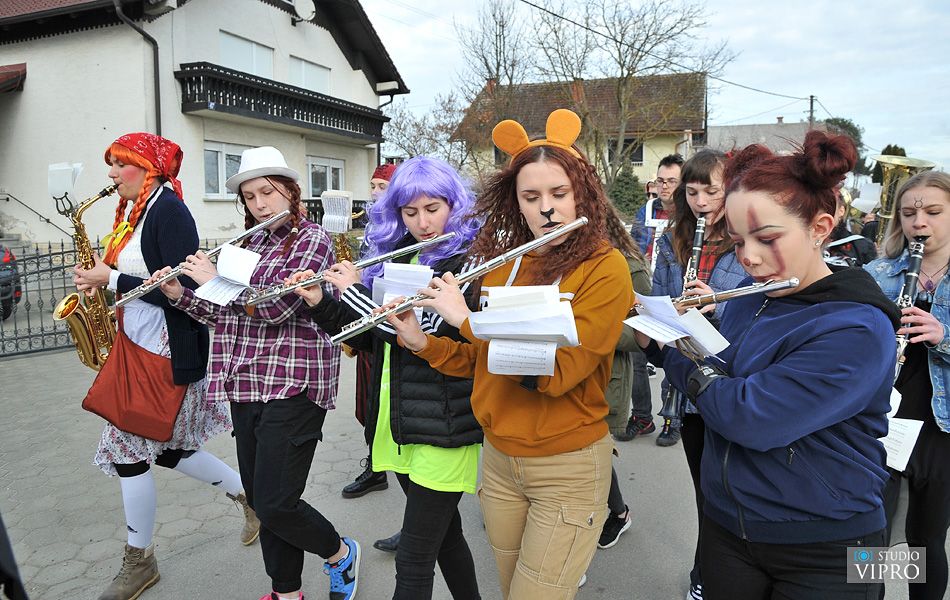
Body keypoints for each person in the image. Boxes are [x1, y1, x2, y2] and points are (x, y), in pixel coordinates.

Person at [385, 109, 634, 599]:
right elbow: (485, 363)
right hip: (500, 462)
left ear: (582, 193)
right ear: (515, 202)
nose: (547, 209)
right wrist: (425, 343)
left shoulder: (606, 269)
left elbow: (557, 372)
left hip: (567, 464)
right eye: (532, 197)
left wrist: (465, 320)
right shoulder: (506, 266)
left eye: (559, 195)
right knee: (509, 588)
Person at [642, 131, 896, 600]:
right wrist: (657, 340)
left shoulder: (859, 328)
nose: (750, 259)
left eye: (767, 238)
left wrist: (681, 357)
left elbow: (750, 415)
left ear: (820, 228)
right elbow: (717, 368)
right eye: (738, 241)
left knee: (913, 561)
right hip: (729, 526)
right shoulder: (751, 300)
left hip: (834, 541)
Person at [148, 146, 358, 600]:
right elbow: (224, 313)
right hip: (245, 382)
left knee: (278, 502)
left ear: (290, 192)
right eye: (249, 196)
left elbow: (276, 307)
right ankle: (286, 592)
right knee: (263, 500)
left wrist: (212, 280)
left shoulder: (313, 240)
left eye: (268, 192)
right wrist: (177, 293)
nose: (260, 204)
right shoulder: (243, 246)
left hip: (295, 384)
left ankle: (340, 553)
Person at [72, 133, 258, 600]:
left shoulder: (170, 211)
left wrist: (112, 276)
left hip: (166, 349)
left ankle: (140, 560)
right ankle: (251, 496)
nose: (111, 175)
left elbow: (180, 291)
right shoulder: (132, 212)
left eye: (119, 165)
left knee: (127, 449)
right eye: (110, 165)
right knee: (169, 448)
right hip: (136, 344)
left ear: (147, 169)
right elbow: (136, 278)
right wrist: (101, 280)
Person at [289, 156, 482, 600]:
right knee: (447, 537)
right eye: (409, 213)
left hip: (445, 424)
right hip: (398, 422)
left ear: (455, 204)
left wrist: (355, 290)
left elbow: (426, 337)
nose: (422, 222)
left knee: (414, 561)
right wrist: (321, 300)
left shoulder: (466, 263)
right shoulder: (403, 256)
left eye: (433, 208)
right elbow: (373, 336)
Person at [648, 149, 746, 600]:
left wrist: (718, 301)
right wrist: (662, 316)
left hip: (733, 378)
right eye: (693, 191)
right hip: (689, 379)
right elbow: (666, 299)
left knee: (732, 491)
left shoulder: (749, 238)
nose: (702, 201)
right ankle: (703, 574)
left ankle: (719, 575)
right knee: (704, 489)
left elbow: (761, 305)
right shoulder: (673, 239)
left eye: (712, 190)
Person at [866, 171, 950, 600]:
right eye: (910, 212)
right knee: (873, 535)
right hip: (886, 420)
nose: (921, 222)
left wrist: (944, 336)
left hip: (941, 431)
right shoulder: (878, 273)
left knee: (926, 536)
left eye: (933, 212)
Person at [342, 161, 400, 503]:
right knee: (368, 402)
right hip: (368, 319)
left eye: (381, 188)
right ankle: (376, 467)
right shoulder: (369, 227)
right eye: (372, 187)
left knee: (389, 402)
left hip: (390, 320)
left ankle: (388, 466)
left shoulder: (400, 229)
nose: (374, 194)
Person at [597, 206, 650, 551]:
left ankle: (617, 513)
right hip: (561, 375)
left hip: (607, 378)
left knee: (594, 455)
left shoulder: (630, 265)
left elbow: (643, 332)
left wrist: (587, 332)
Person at [632, 154, 684, 260]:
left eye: (672, 181)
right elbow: (634, 248)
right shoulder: (645, 211)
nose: (664, 186)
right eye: (660, 180)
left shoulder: (689, 213)